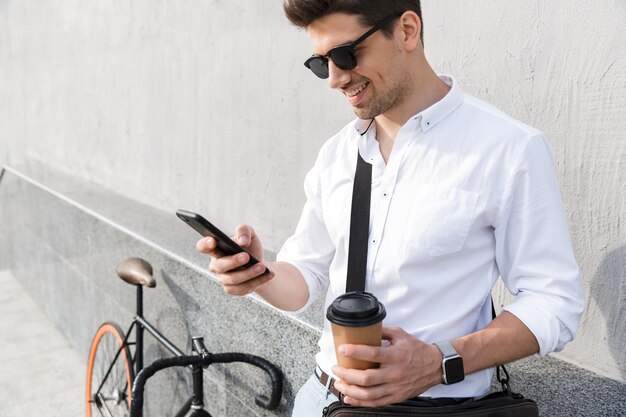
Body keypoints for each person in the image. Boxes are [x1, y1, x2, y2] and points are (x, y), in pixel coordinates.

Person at [197, 1, 585, 415]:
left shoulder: (508, 149)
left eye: (346, 55)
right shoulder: (337, 154)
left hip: (436, 409)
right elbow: (305, 275)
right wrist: (259, 274)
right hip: (321, 400)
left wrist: (440, 362)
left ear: (406, 30)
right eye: (321, 63)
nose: (334, 79)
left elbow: (553, 301)